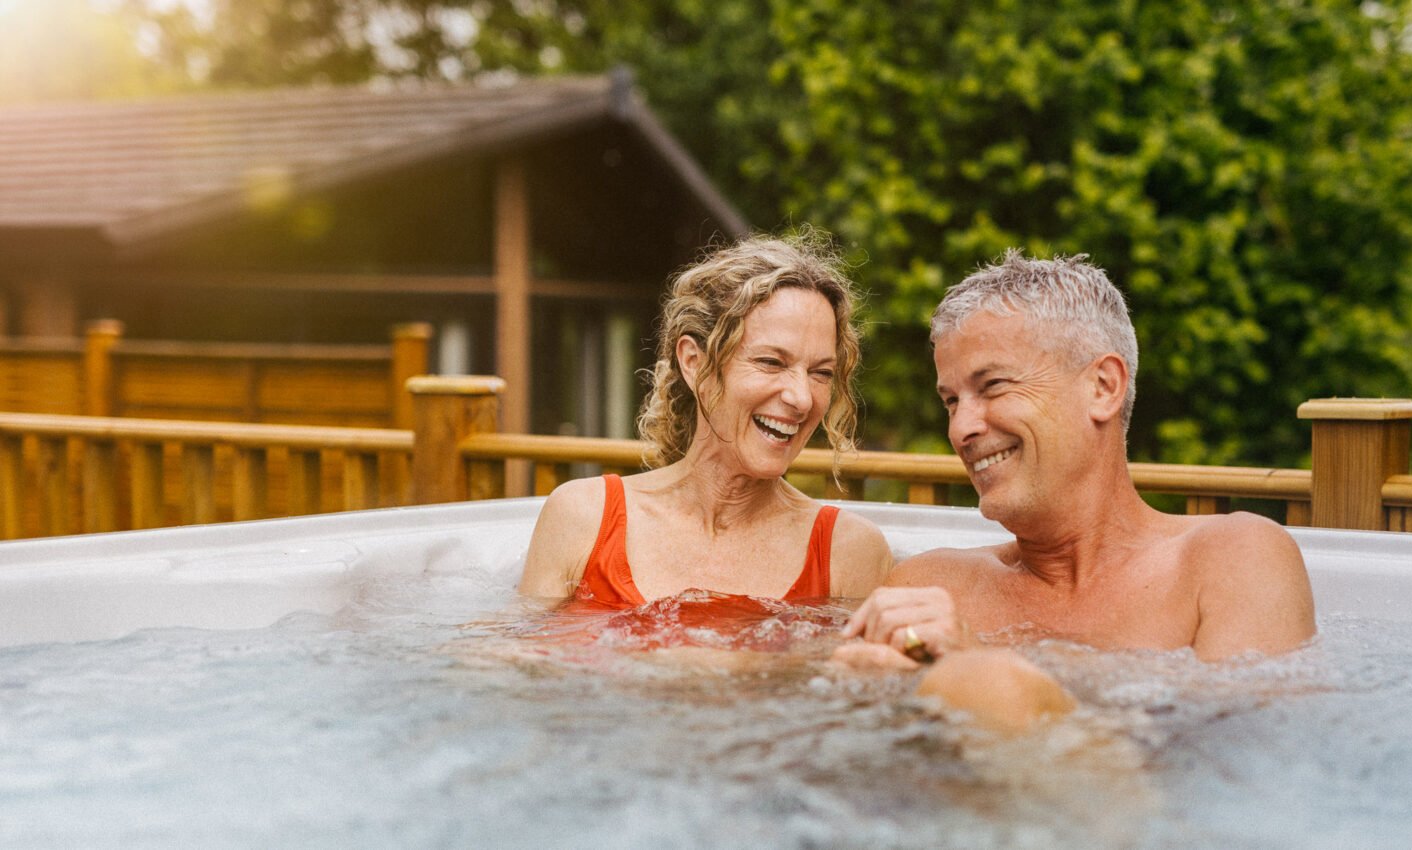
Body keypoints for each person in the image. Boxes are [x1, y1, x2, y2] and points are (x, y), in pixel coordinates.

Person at [838, 251, 1316, 727]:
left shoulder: (1232, 559)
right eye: (951, 401)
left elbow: (1242, 749)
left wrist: (977, 665)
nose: (961, 428)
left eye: (994, 385)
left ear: (1103, 387)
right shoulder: (931, 585)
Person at [518, 233, 892, 607]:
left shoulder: (848, 551)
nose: (802, 398)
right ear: (695, 363)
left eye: (821, 373)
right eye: (771, 362)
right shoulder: (583, 517)